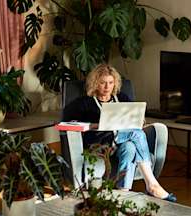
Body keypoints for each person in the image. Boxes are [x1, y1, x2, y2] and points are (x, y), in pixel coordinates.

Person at [63, 64, 176, 202]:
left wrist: (139, 121)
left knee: (130, 147)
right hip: (99, 142)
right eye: (103, 83)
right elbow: (66, 121)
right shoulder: (84, 102)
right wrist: (93, 125)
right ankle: (152, 184)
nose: (107, 87)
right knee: (137, 134)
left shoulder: (121, 98)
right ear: (95, 83)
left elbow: (137, 118)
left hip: (121, 141)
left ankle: (123, 191)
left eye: (110, 83)